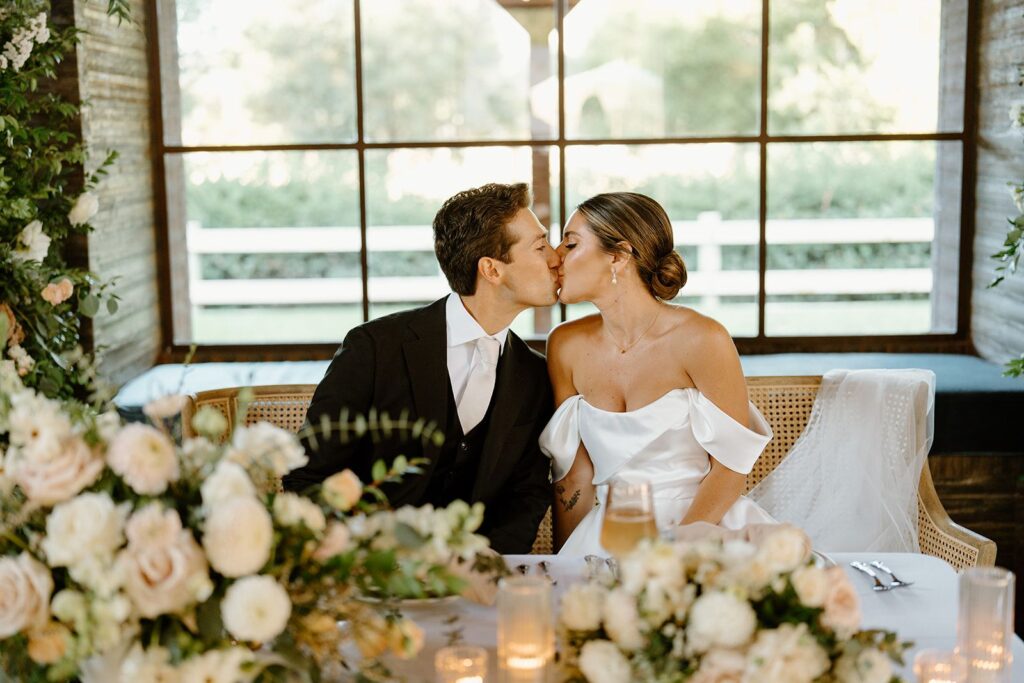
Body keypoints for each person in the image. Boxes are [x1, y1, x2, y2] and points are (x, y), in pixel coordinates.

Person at [283, 182, 559, 554]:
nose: (556, 258)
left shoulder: (535, 375)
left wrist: (483, 567)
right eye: (541, 246)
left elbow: (526, 494)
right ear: (492, 270)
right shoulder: (375, 348)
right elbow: (309, 476)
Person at [541, 192, 776, 556]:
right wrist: (565, 564)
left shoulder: (703, 339)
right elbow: (575, 477)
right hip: (608, 536)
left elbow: (730, 469)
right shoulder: (564, 345)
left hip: (702, 529)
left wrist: (673, 553)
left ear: (618, 255)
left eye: (570, 243)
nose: (556, 256)